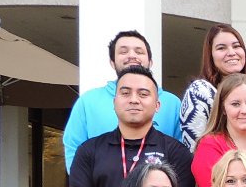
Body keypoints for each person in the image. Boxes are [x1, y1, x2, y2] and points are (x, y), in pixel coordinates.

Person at [64, 30, 182, 172]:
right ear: (112, 62)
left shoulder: (172, 103)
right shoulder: (88, 101)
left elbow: (180, 152)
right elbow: (73, 147)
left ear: (150, 61)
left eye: (139, 51)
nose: (132, 55)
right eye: (123, 51)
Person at [179, 23, 246, 151]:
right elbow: (193, 150)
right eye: (221, 48)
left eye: (236, 46)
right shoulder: (200, 92)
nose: (231, 53)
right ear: (210, 55)